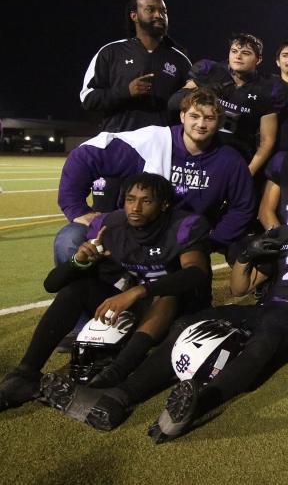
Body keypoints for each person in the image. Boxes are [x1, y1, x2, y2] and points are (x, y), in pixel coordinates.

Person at [40, 183, 288, 438]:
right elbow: (240, 289)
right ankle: (117, 396)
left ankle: (201, 402)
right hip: (266, 306)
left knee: (263, 343)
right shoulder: (282, 234)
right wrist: (245, 257)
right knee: (192, 323)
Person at [0, 174, 211, 411]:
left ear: (164, 205)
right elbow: (52, 285)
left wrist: (138, 292)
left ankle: (115, 375)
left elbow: (196, 273)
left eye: (146, 201)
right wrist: (78, 261)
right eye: (130, 199)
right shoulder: (112, 225)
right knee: (76, 288)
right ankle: (26, 373)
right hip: (141, 309)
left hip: (182, 314)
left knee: (167, 295)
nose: (135, 207)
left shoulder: (183, 226)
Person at [56, 89, 254, 265]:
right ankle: (80, 299)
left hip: (184, 238)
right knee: (69, 238)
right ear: (182, 116)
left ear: (218, 122)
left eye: (209, 118)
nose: (200, 124)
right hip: (134, 230)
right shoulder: (153, 140)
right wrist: (76, 209)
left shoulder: (229, 160)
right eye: (194, 116)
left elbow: (242, 206)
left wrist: (214, 240)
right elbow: (86, 155)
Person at [79, 0, 192, 212]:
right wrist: (124, 92)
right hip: (116, 148)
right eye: (151, 9)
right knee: (106, 218)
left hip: (159, 154)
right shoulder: (111, 52)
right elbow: (87, 98)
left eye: (163, 11)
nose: (159, 15)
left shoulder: (179, 59)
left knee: (154, 219)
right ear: (134, 15)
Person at [170, 33, 281, 177]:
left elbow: (267, 140)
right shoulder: (210, 71)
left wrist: (250, 171)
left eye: (245, 53)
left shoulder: (267, 89)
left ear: (258, 59)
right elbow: (173, 104)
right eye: (234, 51)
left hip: (237, 156)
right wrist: (203, 90)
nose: (238, 56)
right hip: (199, 152)